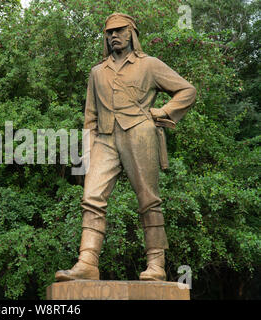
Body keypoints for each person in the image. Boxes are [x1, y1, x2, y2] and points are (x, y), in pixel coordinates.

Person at [55, 13, 196, 282]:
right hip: (104, 139)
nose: (113, 36)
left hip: (139, 134)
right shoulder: (97, 72)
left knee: (149, 200)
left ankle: (156, 263)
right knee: (91, 198)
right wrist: (84, 155)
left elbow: (187, 91)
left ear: (132, 33)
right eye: (109, 32)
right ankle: (87, 261)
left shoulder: (150, 65)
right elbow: (90, 116)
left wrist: (162, 112)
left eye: (119, 30)